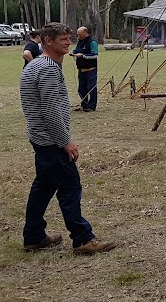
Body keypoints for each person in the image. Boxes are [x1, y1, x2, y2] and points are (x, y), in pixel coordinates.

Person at [21, 22, 116, 255]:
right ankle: (83, 239)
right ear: (47, 41)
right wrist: (65, 141)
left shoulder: (37, 65)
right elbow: (50, 110)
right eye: (61, 38)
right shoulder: (48, 68)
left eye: (68, 38)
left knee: (43, 188)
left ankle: (33, 236)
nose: (67, 42)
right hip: (50, 140)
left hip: (40, 138)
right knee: (70, 187)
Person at [71, 26, 99, 112]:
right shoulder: (80, 42)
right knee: (81, 89)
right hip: (81, 69)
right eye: (77, 34)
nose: (78, 36)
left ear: (85, 33)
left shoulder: (92, 42)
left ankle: (91, 106)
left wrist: (83, 56)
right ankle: (84, 105)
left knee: (91, 88)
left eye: (80, 34)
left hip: (91, 69)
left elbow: (95, 55)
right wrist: (73, 52)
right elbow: (77, 50)